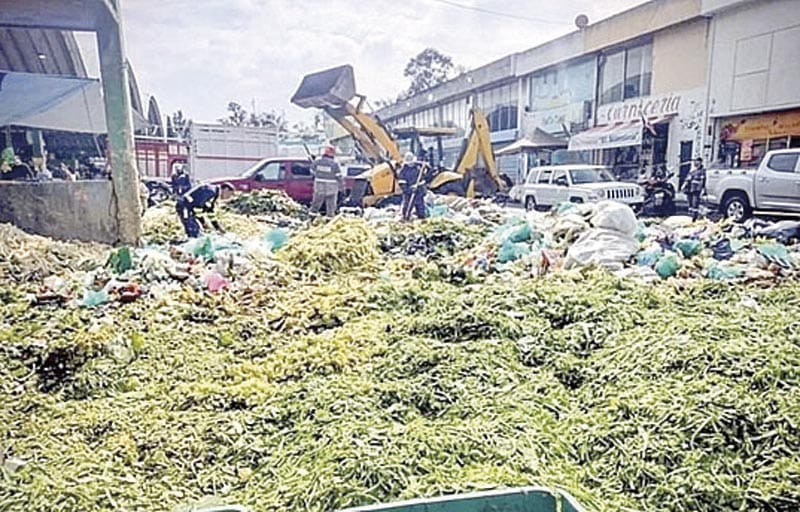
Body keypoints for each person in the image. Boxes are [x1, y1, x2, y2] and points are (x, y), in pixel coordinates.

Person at [310, 145, 342, 217]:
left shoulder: (317, 161)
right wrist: (342, 187)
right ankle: (329, 220)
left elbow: (312, 171)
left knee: (316, 203)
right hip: (331, 187)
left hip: (319, 185)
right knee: (331, 205)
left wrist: (318, 176)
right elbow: (338, 176)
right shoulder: (334, 164)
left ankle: (311, 218)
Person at [398, 151, 428, 221]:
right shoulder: (403, 171)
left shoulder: (419, 167)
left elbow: (423, 179)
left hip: (419, 192)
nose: (411, 164)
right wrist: (409, 190)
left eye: (412, 162)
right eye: (409, 163)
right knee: (407, 207)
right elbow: (402, 184)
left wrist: (425, 167)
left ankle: (422, 219)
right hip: (409, 193)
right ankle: (406, 219)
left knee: (420, 207)